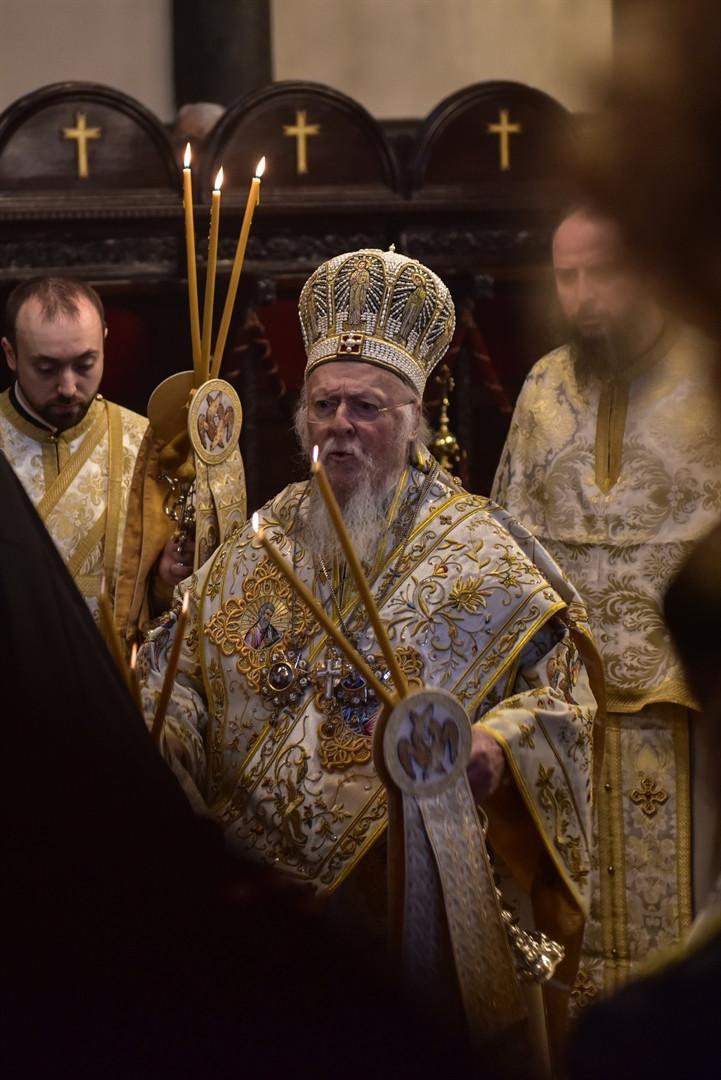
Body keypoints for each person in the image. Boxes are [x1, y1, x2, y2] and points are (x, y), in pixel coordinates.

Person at [139, 247, 602, 1056]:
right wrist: (164, 731)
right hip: (260, 920)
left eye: (366, 407)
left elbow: (563, 701)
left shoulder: (482, 550)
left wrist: (495, 748)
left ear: (413, 418)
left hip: (405, 902)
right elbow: (181, 675)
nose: (340, 426)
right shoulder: (261, 541)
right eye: (325, 405)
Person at [492, 206, 721, 1006]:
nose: (584, 294)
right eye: (567, 275)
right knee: (575, 933)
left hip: (684, 707)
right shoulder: (543, 386)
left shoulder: (709, 373)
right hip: (568, 715)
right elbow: (505, 545)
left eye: (604, 270)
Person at [0, 277, 192, 627]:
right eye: (47, 368)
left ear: (104, 340)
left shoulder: (147, 445)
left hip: (116, 675)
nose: (68, 387)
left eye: (85, 364)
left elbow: (157, 602)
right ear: (11, 354)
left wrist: (166, 580)